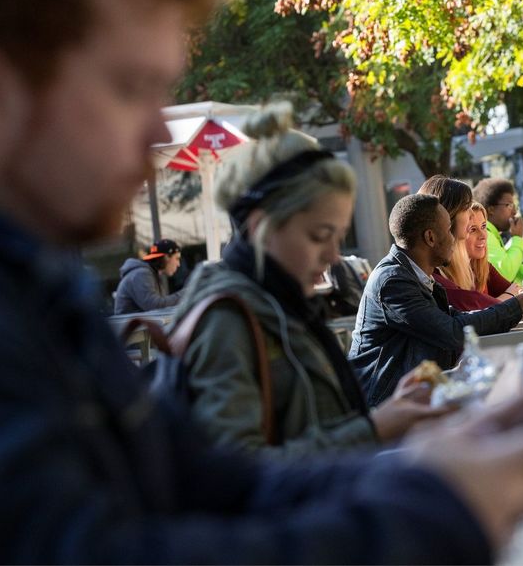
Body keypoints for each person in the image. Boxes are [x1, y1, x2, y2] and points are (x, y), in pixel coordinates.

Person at [0, 0, 523, 562]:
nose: (158, 131)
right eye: (132, 87)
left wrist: (427, 475)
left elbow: (206, 479)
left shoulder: (30, 287)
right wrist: (433, 507)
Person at [172, 105, 446, 459]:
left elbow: (308, 426)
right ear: (260, 228)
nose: (334, 256)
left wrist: (388, 411)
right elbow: (238, 474)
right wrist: (373, 429)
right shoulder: (226, 320)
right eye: (320, 235)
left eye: (339, 238)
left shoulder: (281, 304)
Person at [348, 194, 523, 406]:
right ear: (430, 237)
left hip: (411, 399)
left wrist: (516, 308)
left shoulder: (415, 274)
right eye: (449, 230)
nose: (456, 237)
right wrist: (517, 305)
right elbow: (452, 332)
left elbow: (456, 318)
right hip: (382, 409)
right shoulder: (393, 281)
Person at [420, 176, 523, 313]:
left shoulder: (478, 262)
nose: (514, 212)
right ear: (447, 216)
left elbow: (513, 289)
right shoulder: (433, 276)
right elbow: (476, 309)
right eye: (466, 208)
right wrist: (516, 301)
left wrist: (522, 299)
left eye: (484, 226)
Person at [473, 177, 523, 282]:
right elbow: (506, 274)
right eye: (509, 205)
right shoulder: (486, 236)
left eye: (515, 206)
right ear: (491, 209)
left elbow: (515, 270)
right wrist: (517, 238)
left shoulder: (494, 235)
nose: (514, 212)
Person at [113, 238, 183, 314]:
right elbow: (154, 307)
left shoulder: (151, 274)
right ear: (166, 257)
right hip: (131, 324)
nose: (178, 264)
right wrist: (187, 293)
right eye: (177, 258)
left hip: (138, 323)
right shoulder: (141, 274)